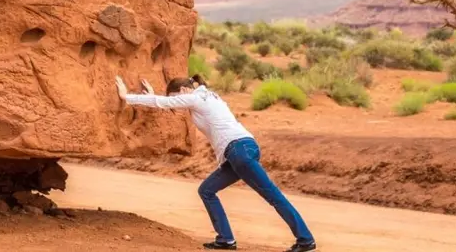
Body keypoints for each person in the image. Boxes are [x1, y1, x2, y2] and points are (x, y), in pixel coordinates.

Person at [115, 74, 317, 252]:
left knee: (273, 196)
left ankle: (305, 239)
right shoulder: (207, 96)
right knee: (207, 190)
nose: (177, 102)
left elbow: (165, 103)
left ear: (184, 90)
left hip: (239, 151)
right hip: (241, 151)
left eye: (176, 98)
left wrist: (127, 97)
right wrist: (153, 95)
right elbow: (170, 106)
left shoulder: (197, 98)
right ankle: (226, 240)